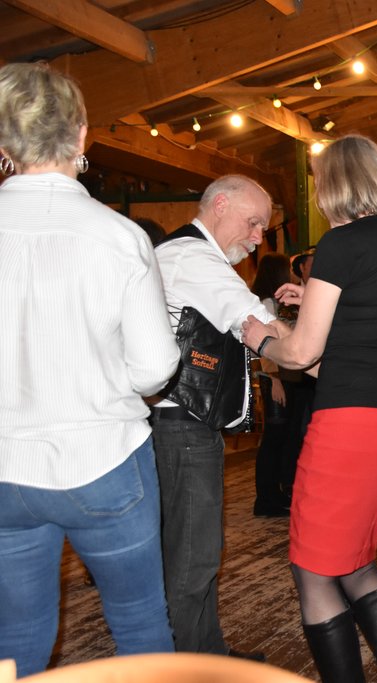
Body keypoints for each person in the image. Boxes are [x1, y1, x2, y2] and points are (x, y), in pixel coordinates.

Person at [0, 62, 180, 676]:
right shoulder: (119, 236)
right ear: (81, 135)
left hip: (4, 465)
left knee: (15, 634)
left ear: (5, 141)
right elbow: (154, 368)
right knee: (139, 621)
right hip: (102, 459)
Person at [241, 133, 377, 682]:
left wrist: (263, 339)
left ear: (335, 185)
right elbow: (358, 350)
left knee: (314, 571)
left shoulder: (341, 244)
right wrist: (308, 316)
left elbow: (303, 355)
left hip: (350, 428)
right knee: (354, 562)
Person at [151, 174, 276, 659]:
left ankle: (209, 655)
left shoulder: (188, 254)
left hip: (180, 425)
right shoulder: (193, 258)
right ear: (220, 204)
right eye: (254, 222)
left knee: (197, 551)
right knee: (192, 556)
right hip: (180, 426)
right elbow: (261, 328)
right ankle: (188, 666)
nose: (258, 236)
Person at [252, 252, 295, 517]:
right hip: (272, 377)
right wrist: (276, 379)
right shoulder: (265, 303)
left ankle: (272, 494)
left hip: (275, 376)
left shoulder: (267, 300)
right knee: (273, 438)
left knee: (278, 437)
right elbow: (265, 347)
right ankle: (266, 498)